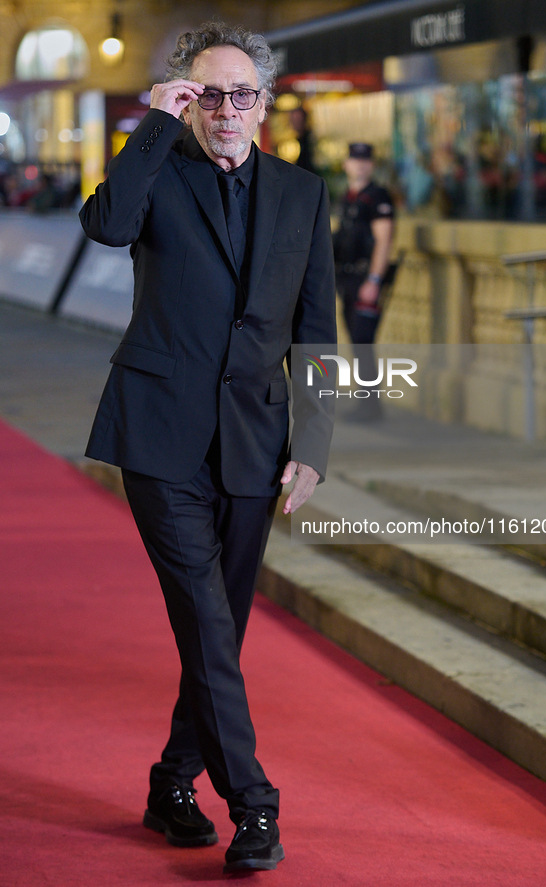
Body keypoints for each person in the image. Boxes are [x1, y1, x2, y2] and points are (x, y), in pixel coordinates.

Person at [79, 21, 336, 874]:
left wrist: (315, 443)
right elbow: (107, 226)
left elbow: (316, 331)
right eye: (207, 92)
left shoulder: (303, 194)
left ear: (264, 103)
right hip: (158, 435)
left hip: (256, 443)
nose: (227, 109)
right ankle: (253, 805)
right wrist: (149, 123)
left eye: (242, 93)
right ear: (187, 98)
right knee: (205, 616)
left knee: (215, 631)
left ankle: (171, 782)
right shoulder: (155, 169)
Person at [333, 142, 395, 420]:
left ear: (372, 165)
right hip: (347, 278)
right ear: (346, 164)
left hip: (365, 278)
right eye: (355, 160)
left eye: (365, 160)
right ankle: (366, 404)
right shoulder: (349, 197)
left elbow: (384, 240)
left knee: (362, 340)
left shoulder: (378, 197)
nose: (360, 165)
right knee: (355, 340)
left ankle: (372, 407)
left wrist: (374, 279)